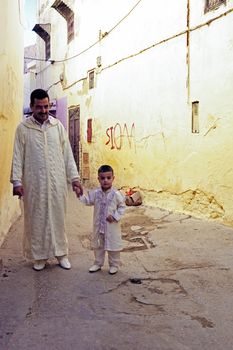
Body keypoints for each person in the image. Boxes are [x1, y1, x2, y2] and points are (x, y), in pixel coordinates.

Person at [10, 88, 83, 271]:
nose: (43, 111)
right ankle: (39, 256)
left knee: (58, 217)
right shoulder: (23, 129)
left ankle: (61, 254)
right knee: (36, 218)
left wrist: (74, 178)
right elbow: (17, 156)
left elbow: (67, 154)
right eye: (39, 107)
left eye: (46, 106)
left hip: (57, 183)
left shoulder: (57, 126)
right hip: (34, 184)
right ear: (32, 107)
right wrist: (17, 182)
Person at [79, 165, 126, 274]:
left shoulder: (116, 194)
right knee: (98, 246)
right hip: (99, 226)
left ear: (113, 178)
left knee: (113, 246)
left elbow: (122, 207)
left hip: (111, 226)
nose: (105, 180)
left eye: (108, 178)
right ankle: (97, 263)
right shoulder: (96, 193)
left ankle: (114, 265)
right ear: (98, 179)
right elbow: (88, 201)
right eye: (102, 178)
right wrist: (80, 194)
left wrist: (115, 216)